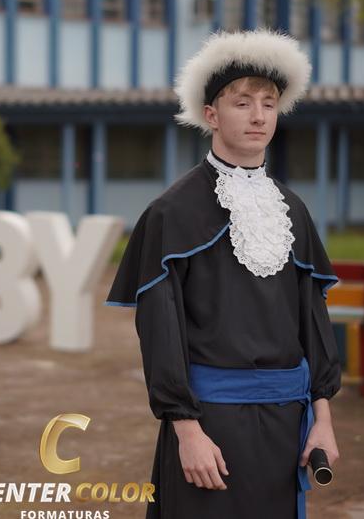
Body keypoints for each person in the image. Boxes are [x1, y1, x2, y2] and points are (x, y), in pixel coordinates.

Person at [104, 28, 341, 519]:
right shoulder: (171, 212)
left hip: (287, 424)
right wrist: (186, 430)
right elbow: (160, 332)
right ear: (211, 114)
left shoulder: (292, 211)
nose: (258, 116)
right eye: (242, 103)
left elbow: (314, 323)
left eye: (269, 104)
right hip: (210, 425)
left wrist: (323, 418)